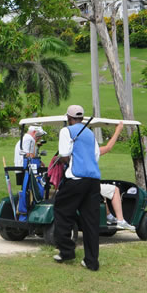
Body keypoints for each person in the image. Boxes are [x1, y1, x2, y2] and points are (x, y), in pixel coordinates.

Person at [52, 105, 121, 271]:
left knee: (61, 211)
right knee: (91, 222)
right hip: (93, 181)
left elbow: (64, 153)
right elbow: (96, 155)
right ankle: (91, 261)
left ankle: (67, 251)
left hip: (76, 178)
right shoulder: (90, 134)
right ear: (82, 118)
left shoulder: (66, 131)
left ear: (68, 118)